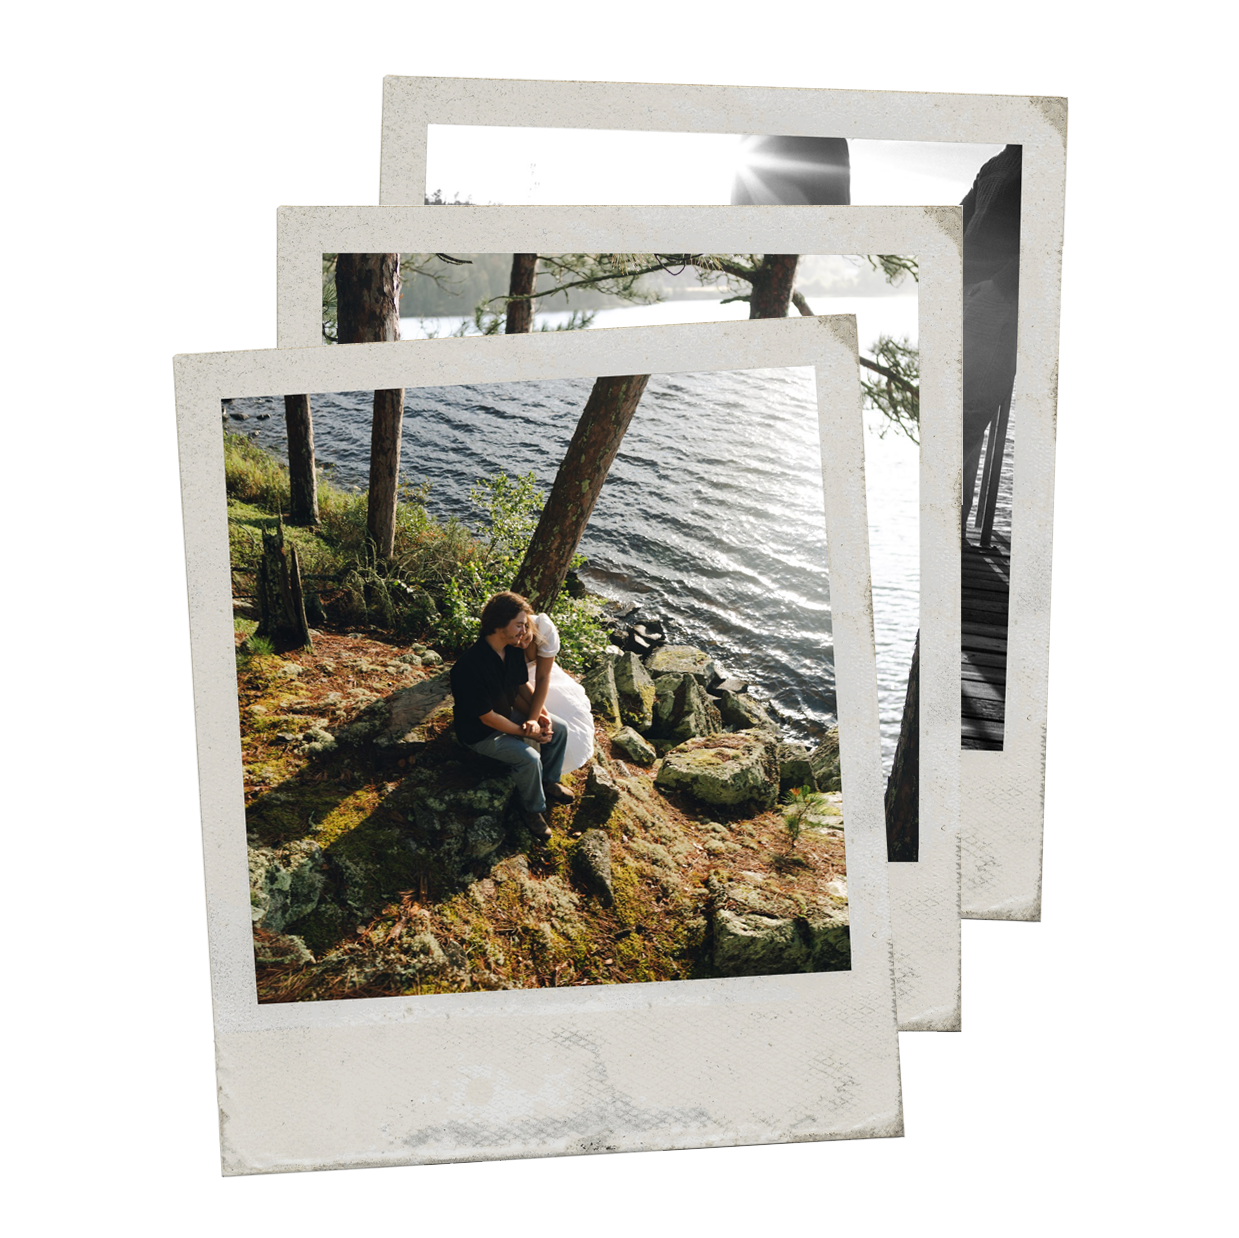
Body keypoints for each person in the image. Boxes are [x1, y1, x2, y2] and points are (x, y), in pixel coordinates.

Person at [449, 591, 573, 841]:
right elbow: (488, 718)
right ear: (499, 624)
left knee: (560, 729)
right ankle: (531, 809)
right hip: (480, 733)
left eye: (525, 624)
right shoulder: (469, 667)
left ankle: (549, 782)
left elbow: (519, 686)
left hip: (506, 714)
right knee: (528, 759)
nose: (524, 630)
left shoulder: (512, 649)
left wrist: (541, 716)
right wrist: (527, 731)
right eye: (519, 625)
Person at [516, 605, 596, 773]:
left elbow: (543, 677)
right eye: (518, 641)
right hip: (517, 682)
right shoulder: (505, 636)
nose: (523, 645)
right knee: (540, 718)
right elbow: (514, 684)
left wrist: (536, 714)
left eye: (527, 638)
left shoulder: (543, 627)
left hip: (545, 675)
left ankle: (554, 772)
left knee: (570, 709)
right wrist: (535, 716)